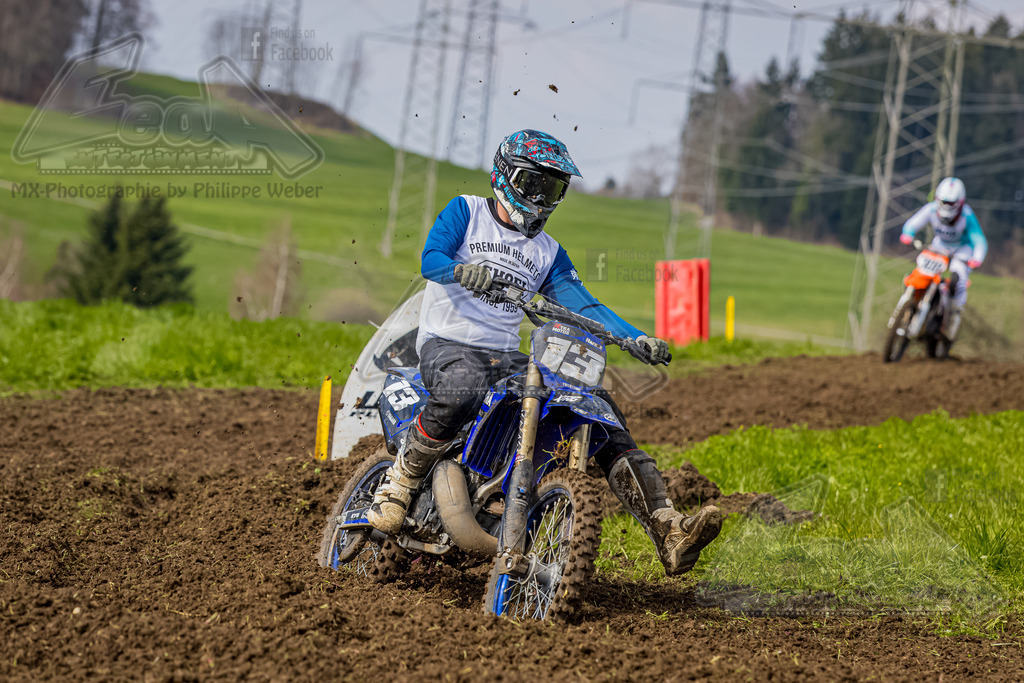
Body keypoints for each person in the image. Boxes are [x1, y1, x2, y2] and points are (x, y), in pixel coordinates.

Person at [367, 129, 721, 576]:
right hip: (448, 344)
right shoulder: (468, 211)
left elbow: (584, 305)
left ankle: (668, 528)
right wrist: (460, 271)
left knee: (600, 411)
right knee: (460, 389)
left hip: (504, 355)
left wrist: (635, 337)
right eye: (533, 184)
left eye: (552, 188)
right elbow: (430, 258)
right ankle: (400, 482)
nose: (540, 197)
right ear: (505, 177)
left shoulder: (548, 252)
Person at [900, 177, 987, 342]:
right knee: (920, 272)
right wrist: (908, 233)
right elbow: (913, 223)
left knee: (957, 279)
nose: (946, 206)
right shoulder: (931, 210)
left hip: (962, 250)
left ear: (960, 202)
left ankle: (953, 315)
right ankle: (911, 303)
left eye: (950, 203)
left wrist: (977, 257)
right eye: (944, 202)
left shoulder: (967, 216)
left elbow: (979, 240)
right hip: (938, 246)